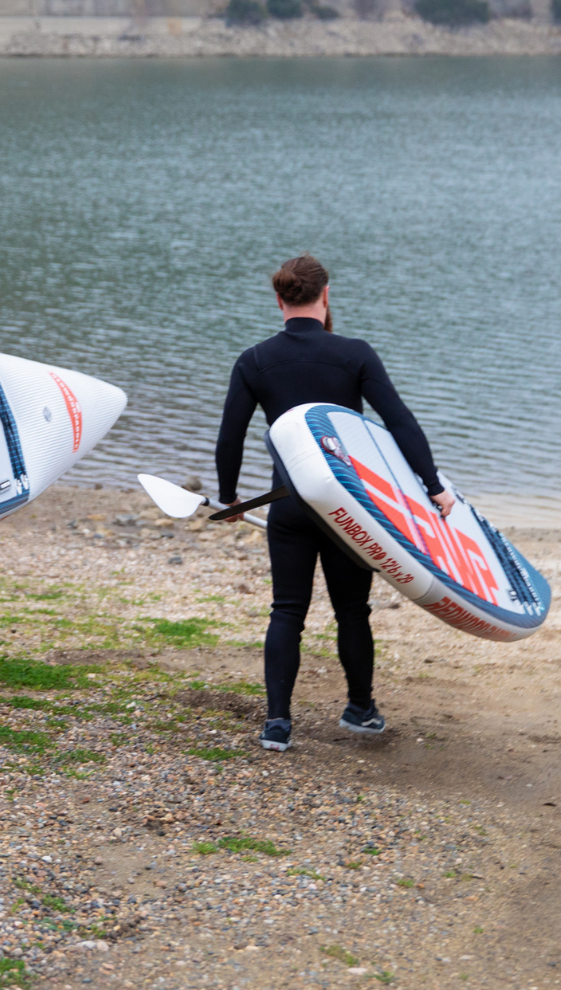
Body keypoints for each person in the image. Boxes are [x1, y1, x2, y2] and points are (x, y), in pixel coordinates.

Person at [215, 255, 454, 751]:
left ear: (279, 300)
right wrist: (433, 486)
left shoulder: (255, 360)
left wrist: (230, 497)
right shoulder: (355, 354)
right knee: (352, 610)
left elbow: (230, 438)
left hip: (289, 503)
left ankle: (277, 724)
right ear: (326, 296)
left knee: (286, 611)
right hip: (348, 508)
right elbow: (400, 423)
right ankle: (360, 709)